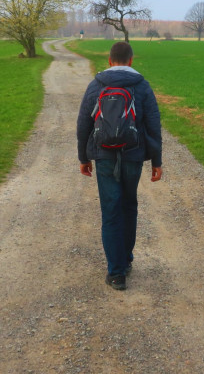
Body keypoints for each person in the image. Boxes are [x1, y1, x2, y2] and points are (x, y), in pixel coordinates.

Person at [77, 41, 163, 291]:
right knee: (128, 205)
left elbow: (84, 123)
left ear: (109, 60)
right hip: (133, 155)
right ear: (131, 60)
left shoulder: (96, 85)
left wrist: (83, 157)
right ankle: (125, 260)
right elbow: (153, 125)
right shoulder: (142, 87)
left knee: (111, 210)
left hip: (104, 156)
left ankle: (116, 273)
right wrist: (156, 161)